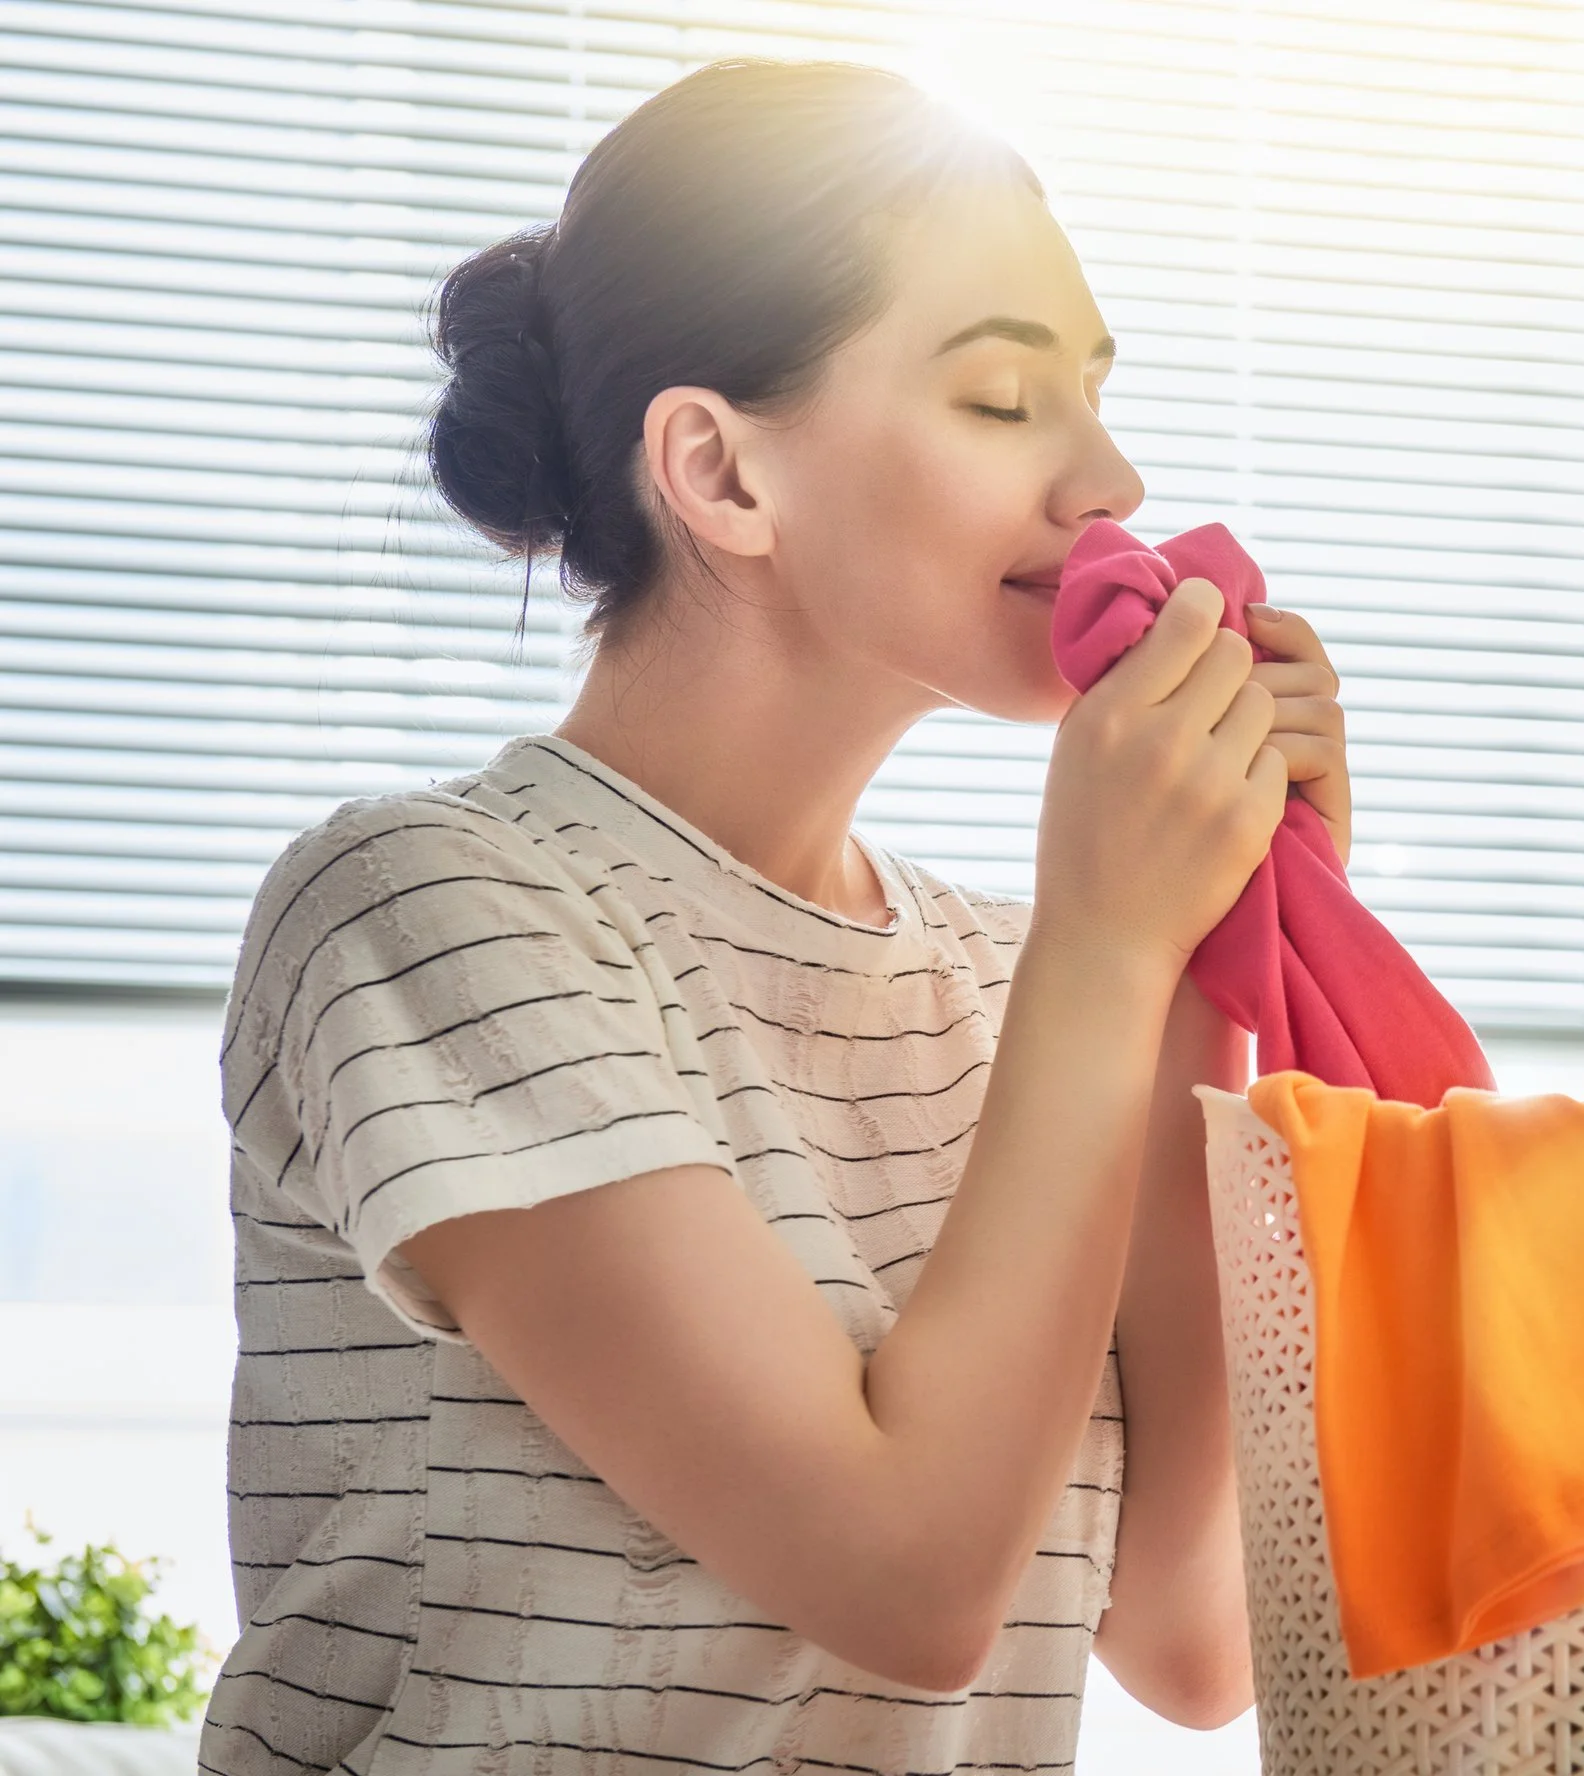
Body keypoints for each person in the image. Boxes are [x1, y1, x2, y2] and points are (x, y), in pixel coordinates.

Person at [206, 58, 1352, 1775]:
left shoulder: (1007, 982)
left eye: (1099, 397)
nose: (1109, 481)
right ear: (721, 475)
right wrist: (1112, 946)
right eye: (998, 399)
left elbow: (1191, 1642)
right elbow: (905, 1578)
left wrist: (1217, 951)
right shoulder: (420, 914)